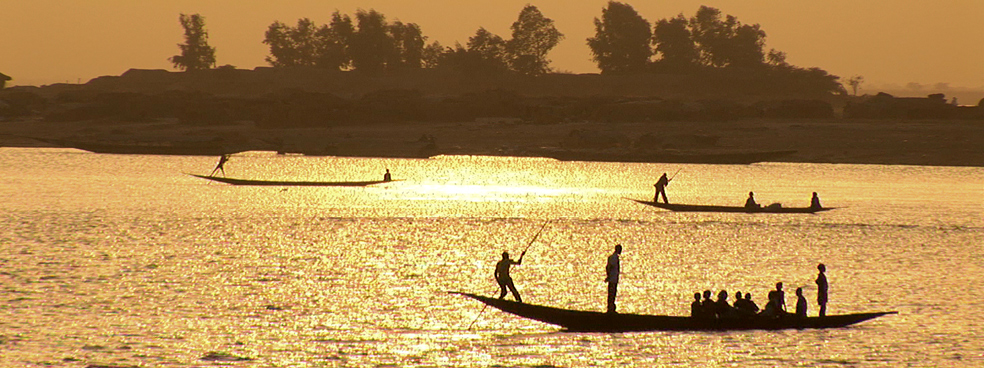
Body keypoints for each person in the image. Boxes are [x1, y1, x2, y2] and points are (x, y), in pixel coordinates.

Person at [605, 244, 622, 313]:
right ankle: (610, 308)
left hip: (614, 278)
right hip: (612, 278)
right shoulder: (614, 258)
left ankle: (611, 307)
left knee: (613, 293)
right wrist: (609, 276)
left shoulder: (615, 257)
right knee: (612, 293)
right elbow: (609, 267)